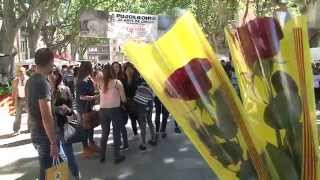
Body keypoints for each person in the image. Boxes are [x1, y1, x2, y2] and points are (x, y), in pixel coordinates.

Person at [26, 48, 59, 180]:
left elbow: (29, 107)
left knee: (45, 169)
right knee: (52, 170)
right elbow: (46, 116)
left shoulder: (30, 80)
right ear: (51, 62)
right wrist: (53, 142)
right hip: (45, 134)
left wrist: (56, 109)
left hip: (36, 130)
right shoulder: (42, 83)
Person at [49, 69, 80, 179]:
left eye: (52, 75)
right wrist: (58, 109)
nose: (50, 77)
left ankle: (74, 175)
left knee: (66, 153)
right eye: (49, 75)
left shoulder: (62, 89)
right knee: (60, 154)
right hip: (54, 126)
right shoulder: (48, 90)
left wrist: (65, 109)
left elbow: (70, 108)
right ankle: (67, 176)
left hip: (62, 125)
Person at [99, 64, 127, 164]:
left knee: (104, 133)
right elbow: (124, 99)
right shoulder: (117, 82)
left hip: (102, 111)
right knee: (116, 132)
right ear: (112, 72)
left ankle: (102, 155)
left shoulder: (101, 83)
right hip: (114, 110)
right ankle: (117, 156)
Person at [75, 61, 100, 158]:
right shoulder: (81, 81)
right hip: (83, 107)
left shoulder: (87, 79)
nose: (93, 68)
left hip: (87, 106)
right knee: (85, 127)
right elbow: (82, 97)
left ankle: (91, 145)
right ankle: (86, 148)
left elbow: (94, 89)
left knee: (90, 126)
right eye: (91, 67)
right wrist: (95, 97)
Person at [134, 78, 157, 151]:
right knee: (149, 121)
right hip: (149, 103)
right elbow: (154, 95)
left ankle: (143, 144)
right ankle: (153, 139)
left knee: (142, 124)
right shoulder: (151, 81)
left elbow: (137, 93)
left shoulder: (139, 80)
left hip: (141, 105)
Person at [12, 66, 29, 135]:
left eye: (21, 72)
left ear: (24, 72)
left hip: (27, 99)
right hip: (18, 99)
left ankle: (30, 129)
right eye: (18, 72)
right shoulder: (15, 81)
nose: (19, 73)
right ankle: (16, 130)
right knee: (17, 116)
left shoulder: (29, 80)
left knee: (30, 115)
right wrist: (14, 101)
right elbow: (13, 91)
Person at [123, 63, 139, 135]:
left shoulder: (137, 78)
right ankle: (135, 133)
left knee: (140, 119)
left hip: (138, 102)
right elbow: (125, 92)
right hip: (129, 103)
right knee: (132, 119)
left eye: (130, 69)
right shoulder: (124, 80)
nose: (129, 71)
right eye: (127, 69)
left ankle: (142, 134)